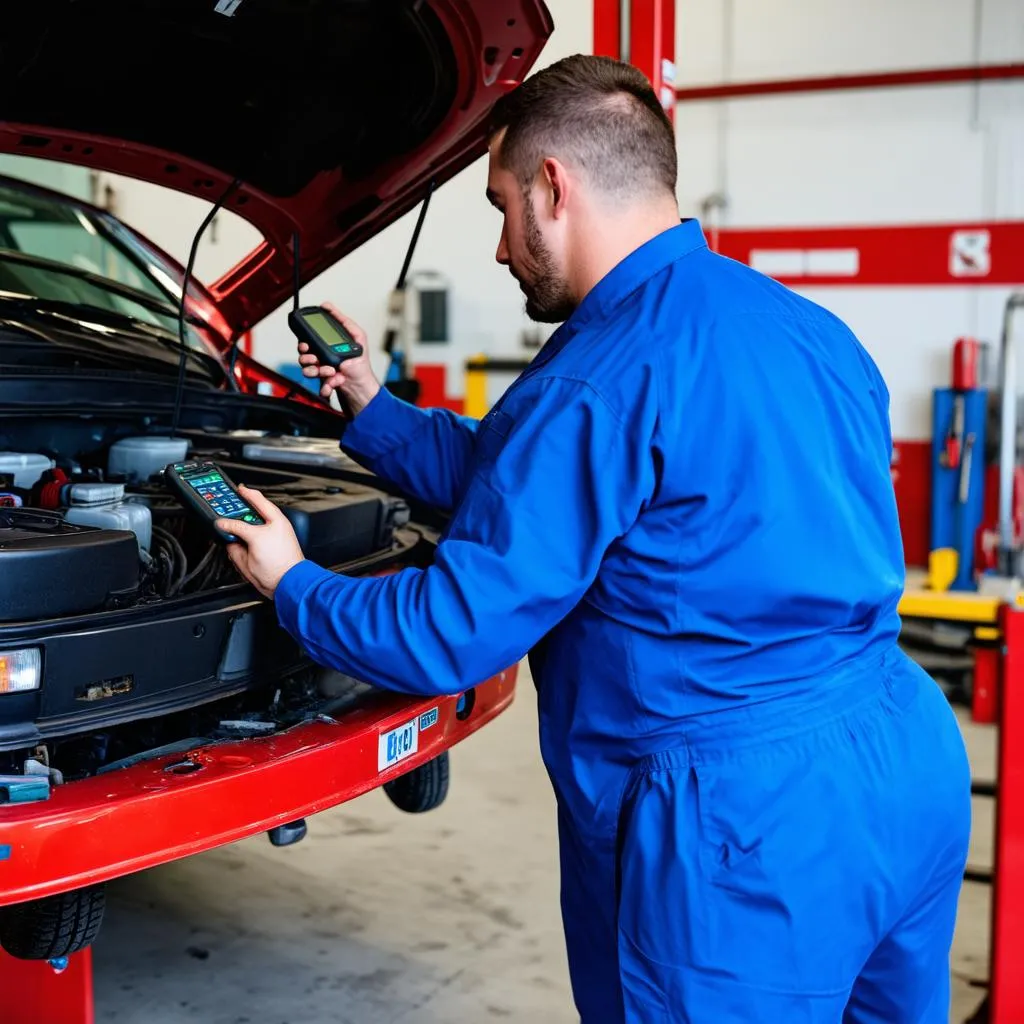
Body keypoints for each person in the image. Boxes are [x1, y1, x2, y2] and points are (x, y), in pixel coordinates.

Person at [218, 54, 971, 1024]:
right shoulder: (799, 327)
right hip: (903, 754)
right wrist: (373, 406)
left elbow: (454, 627)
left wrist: (295, 583)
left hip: (744, 825)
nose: (499, 248)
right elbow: (533, 478)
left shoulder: (602, 372)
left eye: (498, 207)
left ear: (552, 186)